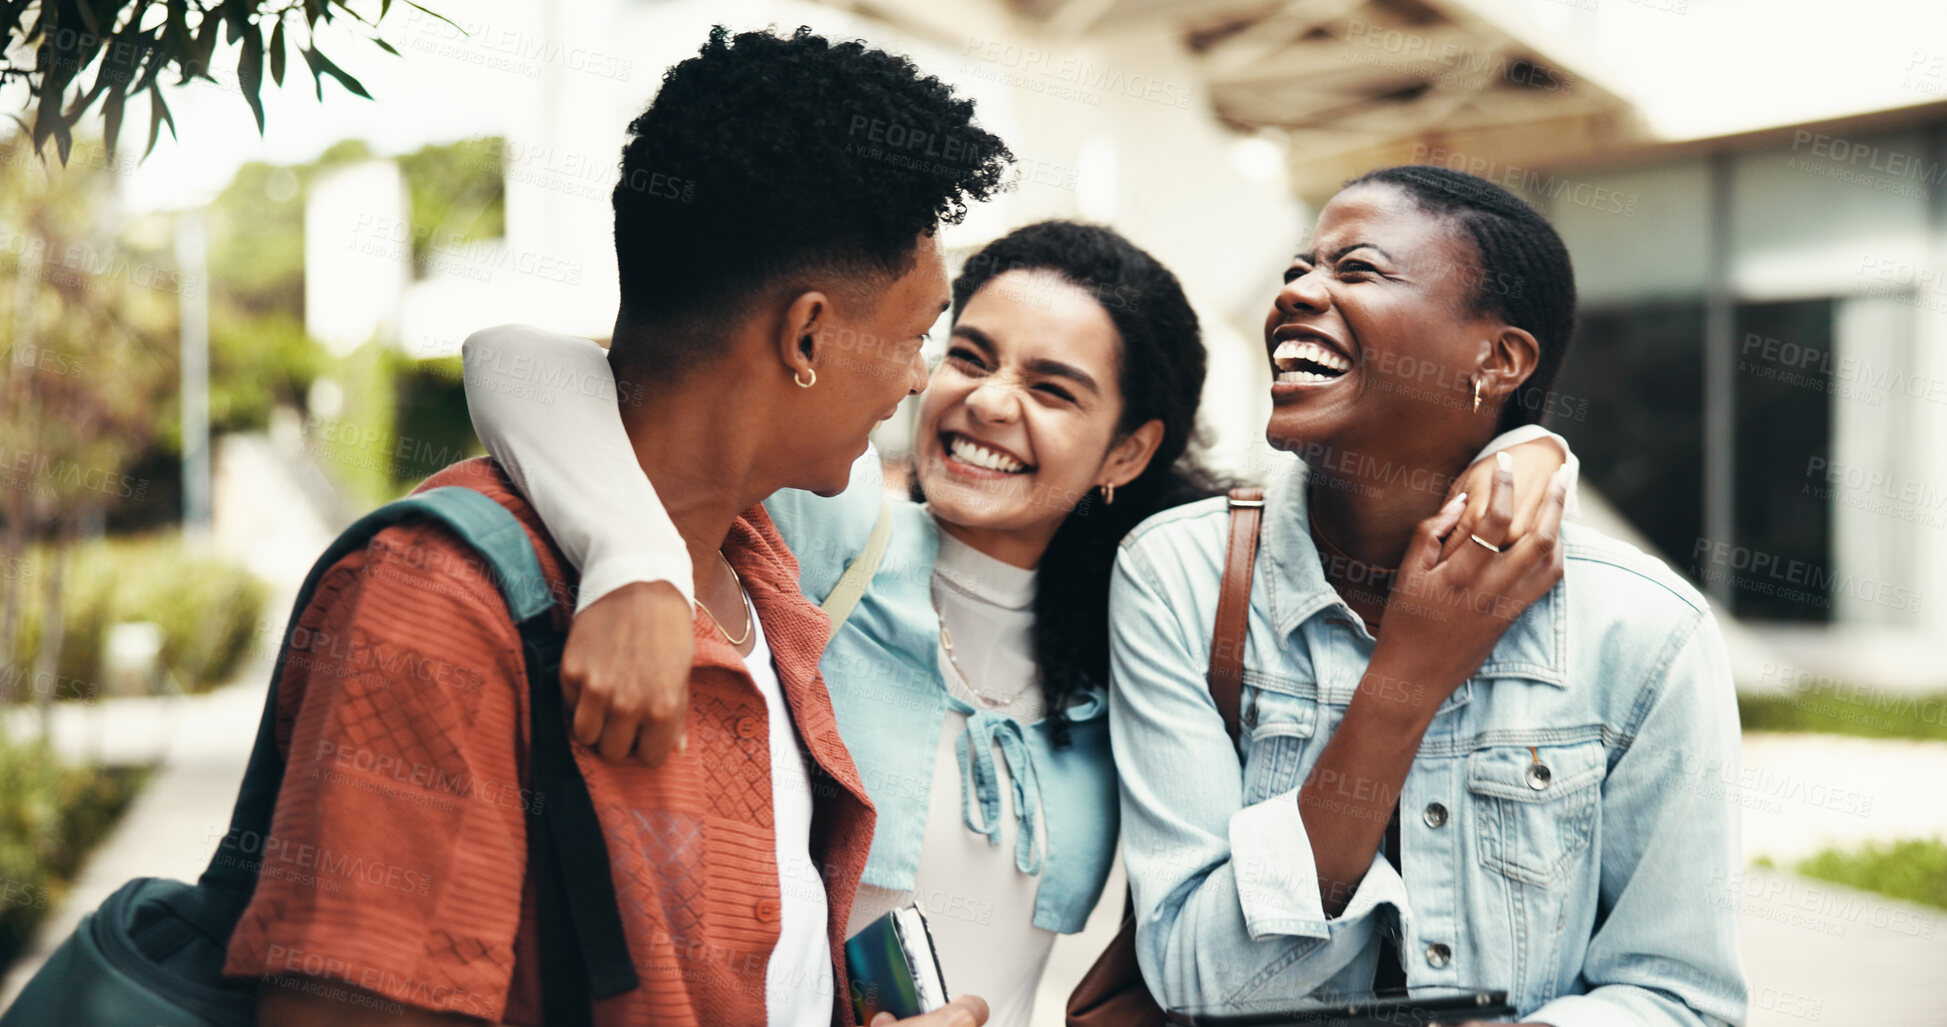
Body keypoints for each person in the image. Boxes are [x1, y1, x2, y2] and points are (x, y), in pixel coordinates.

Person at [456, 219, 1579, 1022]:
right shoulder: (834, 526)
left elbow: (1355, 491)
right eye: (971, 357)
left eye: (1053, 389)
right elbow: (516, 358)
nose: (987, 403)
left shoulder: (1156, 612)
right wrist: (636, 560)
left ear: (1129, 452)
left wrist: (1532, 444)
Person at [226, 26, 1004, 1027]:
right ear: (807, 334)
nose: (917, 378)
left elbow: (522, 359)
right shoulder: (442, 603)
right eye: (918, 334)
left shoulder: (760, 563)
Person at [1108, 165, 1746, 1026]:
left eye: (1356, 269)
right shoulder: (1178, 576)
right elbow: (1197, 975)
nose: (1297, 291)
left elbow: (1680, 996)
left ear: (1499, 358)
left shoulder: (1643, 629)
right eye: (1299, 267)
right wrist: (1407, 672)